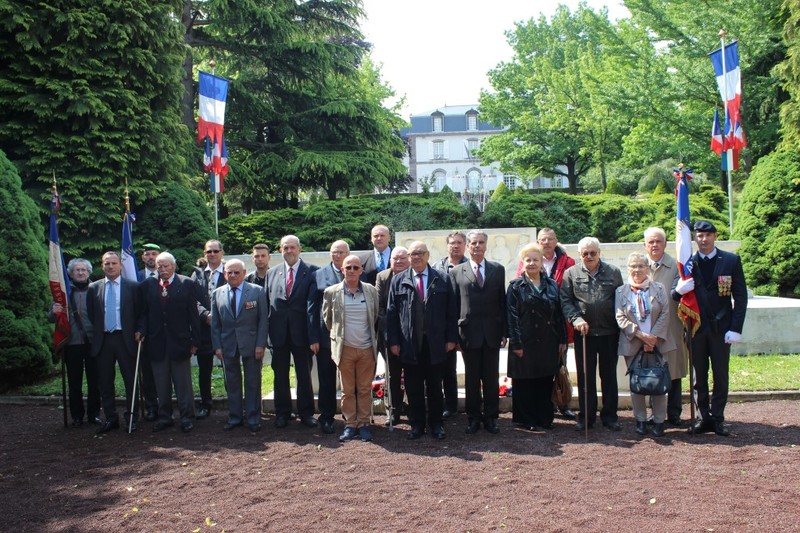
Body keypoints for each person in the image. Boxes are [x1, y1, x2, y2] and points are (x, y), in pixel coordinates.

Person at [673, 220, 747, 436]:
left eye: (707, 235)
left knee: (721, 375)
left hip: (722, 329)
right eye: (699, 235)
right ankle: (702, 417)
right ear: (694, 238)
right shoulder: (687, 263)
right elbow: (674, 294)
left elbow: (740, 297)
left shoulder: (731, 261)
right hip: (696, 328)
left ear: (715, 236)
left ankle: (718, 418)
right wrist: (679, 289)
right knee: (698, 376)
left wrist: (736, 327)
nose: (703, 239)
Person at [386, 241, 457, 440]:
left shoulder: (442, 278)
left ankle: (436, 424)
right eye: (412, 254)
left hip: (435, 343)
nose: (415, 257)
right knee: (413, 386)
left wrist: (451, 338)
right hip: (409, 344)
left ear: (427, 255)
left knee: (435, 386)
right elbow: (391, 314)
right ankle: (416, 424)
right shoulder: (398, 280)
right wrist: (393, 341)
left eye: (419, 253)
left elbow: (452, 311)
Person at [561, 237, 623, 431]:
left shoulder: (613, 272)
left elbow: (621, 299)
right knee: (585, 376)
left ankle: (610, 416)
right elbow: (565, 301)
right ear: (580, 255)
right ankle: (586, 416)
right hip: (584, 334)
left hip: (609, 333)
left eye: (592, 253)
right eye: (585, 253)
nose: (589, 256)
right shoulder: (570, 273)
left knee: (609, 376)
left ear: (599, 253)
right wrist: (575, 319)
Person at [449, 230, 507, 435]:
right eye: (473, 242)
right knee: (472, 379)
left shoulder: (498, 270)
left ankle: (491, 418)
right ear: (467, 245)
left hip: (492, 332)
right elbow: (453, 306)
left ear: (486, 246)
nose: (477, 246)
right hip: (468, 334)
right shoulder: (456, 272)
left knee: (491, 378)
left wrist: (504, 332)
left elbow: (502, 301)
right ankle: (473, 418)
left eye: (481, 242)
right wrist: (454, 336)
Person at [517, 228, 578, 420]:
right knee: (540, 369)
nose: (546, 242)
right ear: (537, 242)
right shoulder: (528, 260)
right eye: (542, 239)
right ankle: (546, 406)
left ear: (556, 241)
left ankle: (563, 403)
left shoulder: (568, 262)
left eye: (550, 239)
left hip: (556, 323)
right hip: (532, 328)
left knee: (560, 367)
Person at [136, 252, 201, 433]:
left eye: (166, 266)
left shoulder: (186, 283)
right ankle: (165, 417)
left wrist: (195, 340)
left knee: (183, 384)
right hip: (156, 343)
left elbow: (193, 315)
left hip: (180, 342)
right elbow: (144, 313)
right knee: (161, 383)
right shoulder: (147, 285)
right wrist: (140, 330)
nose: (162, 270)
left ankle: (187, 417)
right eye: (159, 266)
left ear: (173, 266)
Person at [506, 244, 567, 431]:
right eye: (528, 260)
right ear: (522, 263)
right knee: (525, 381)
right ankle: (526, 418)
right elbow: (512, 317)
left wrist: (563, 340)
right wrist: (516, 343)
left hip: (548, 339)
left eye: (535, 260)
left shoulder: (552, 285)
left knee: (545, 379)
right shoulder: (515, 287)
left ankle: (544, 417)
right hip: (524, 340)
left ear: (542, 263)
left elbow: (559, 314)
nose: (532, 263)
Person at [616, 252, 676, 437]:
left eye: (641, 266)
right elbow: (620, 317)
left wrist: (653, 338)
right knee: (638, 385)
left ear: (647, 268)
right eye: (633, 266)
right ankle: (640, 420)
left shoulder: (658, 289)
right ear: (628, 269)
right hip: (633, 344)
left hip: (657, 344)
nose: (637, 270)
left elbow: (665, 313)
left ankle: (658, 421)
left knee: (659, 383)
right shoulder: (621, 291)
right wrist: (641, 336)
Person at [323, 254, 379, 443]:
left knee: (364, 389)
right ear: (342, 270)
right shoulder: (331, 292)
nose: (352, 271)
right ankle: (350, 424)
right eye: (349, 268)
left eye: (356, 268)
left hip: (366, 348)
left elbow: (376, 315)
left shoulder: (371, 291)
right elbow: (328, 320)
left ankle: (363, 424)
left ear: (361, 271)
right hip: (344, 348)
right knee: (347, 390)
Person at [267, 235, 319, 428]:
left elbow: (313, 307)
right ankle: (283, 413)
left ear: (299, 249)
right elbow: (267, 304)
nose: (288, 251)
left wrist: (314, 336)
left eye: (292, 248)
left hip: (302, 334)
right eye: (284, 248)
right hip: (278, 334)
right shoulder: (272, 273)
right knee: (279, 375)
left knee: (303, 375)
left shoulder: (312, 272)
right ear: (281, 250)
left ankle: (306, 413)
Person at [211, 259, 268, 434]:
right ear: (225, 274)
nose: (233, 275)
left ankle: (253, 418)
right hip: (228, 345)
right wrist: (217, 346)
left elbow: (263, 321)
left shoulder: (257, 291)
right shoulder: (217, 293)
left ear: (244, 273)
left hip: (251, 344)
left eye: (236, 272)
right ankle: (235, 417)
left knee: (252, 381)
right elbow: (215, 324)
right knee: (232, 383)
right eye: (229, 272)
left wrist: (260, 344)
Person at [86, 252, 140, 434]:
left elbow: (140, 312)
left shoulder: (132, 287)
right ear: (102, 266)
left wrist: (139, 330)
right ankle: (111, 418)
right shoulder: (93, 288)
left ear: (120, 266)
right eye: (107, 263)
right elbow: (92, 314)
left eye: (114, 263)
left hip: (125, 339)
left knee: (130, 380)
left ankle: (132, 417)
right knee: (105, 382)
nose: (110, 266)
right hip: (103, 340)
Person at [48, 258, 101, 427]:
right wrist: (53, 311)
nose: (80, 273)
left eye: (83, 270)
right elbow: (51, 317)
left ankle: (94, 414)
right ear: (70, 273)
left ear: (88, 272)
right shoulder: (63, 293)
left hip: (93, 342)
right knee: (74, 382)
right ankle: (77, 416)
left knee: (95, 382)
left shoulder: (97, 290)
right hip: (71, 343)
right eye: (77, 270)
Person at [643, 226, 688, 426]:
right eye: (651, 242)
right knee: (653, 371)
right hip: (649, 331)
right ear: (645, 245)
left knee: (674, 370)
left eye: (658, 241)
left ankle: (675, 412)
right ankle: (655, 412)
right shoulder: (640, 266)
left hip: (672, 328)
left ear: (665, 244)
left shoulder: (677, 267)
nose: (654, 245)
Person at [308, 240, 350, 434]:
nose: (337, 255)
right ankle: (326, 417)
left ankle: (353, 417)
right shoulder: (317, 275)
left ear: (348, 253)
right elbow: (311, 309)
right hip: (326, 338)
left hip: (351, 337)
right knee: (326, 379)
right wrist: (313, 337)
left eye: (341, 252)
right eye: (334, 252)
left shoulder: (356, 272)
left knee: (352, 379)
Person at [433, 230, 468, 418]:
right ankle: (445, 404)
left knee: (463, 369)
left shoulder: (471, 266)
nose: (455, 246)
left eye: (459, 243)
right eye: (452, 242)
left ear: (465, 245)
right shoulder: (437, 267)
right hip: (442, 325)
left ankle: (460, 405)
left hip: (465, 325)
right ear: (447, 245)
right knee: (444, 367)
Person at [190, 239, 227, 419]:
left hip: (226, 328)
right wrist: (205, 314)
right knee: (205, 370)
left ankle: (234, 404)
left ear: (222, 253)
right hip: (204, 329)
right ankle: (205, 403)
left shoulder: (229, 272)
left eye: (215, 251)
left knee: (230, 367)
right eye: (208, 252)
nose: (212, 254)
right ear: (204, 254)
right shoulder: (197, 274)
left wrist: (219, 316)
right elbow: (192, 299)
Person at [375, 246, 410, 425]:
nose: (398, 261)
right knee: (392, 375)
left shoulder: (414, 275)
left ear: (409, 259)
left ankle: (413, 408)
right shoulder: (382, 277)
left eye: (402, 258)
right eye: (395, 258)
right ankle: (394, 411)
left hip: (411, 334)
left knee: (413, 373)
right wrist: (390, 328)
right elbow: (379, 306)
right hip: (389, 334)